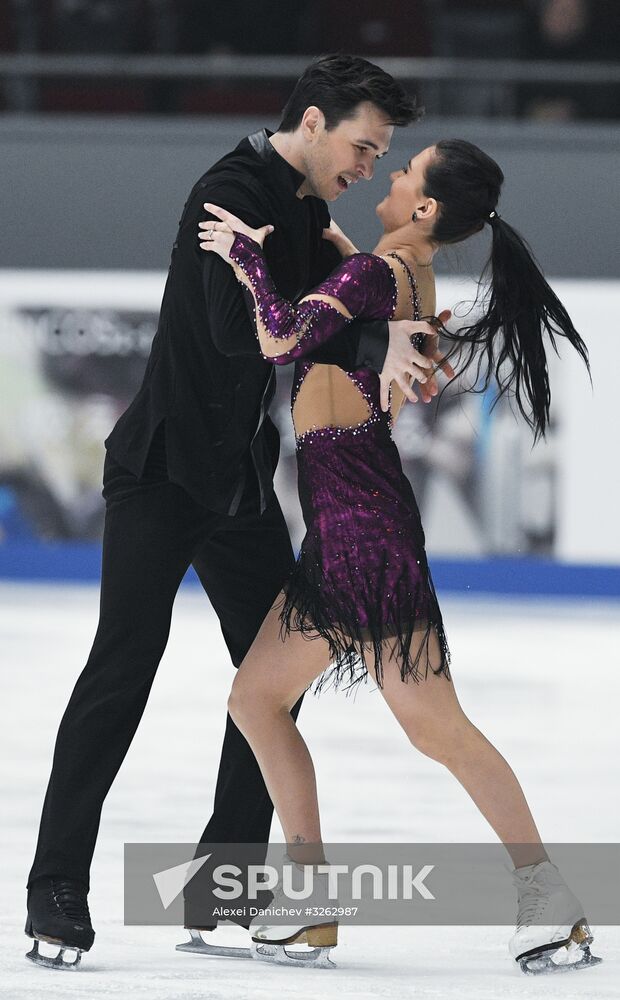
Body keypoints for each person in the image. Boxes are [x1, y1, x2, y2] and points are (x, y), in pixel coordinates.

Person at [24, 55, 443, 970]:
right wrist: (376, 330)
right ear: (316, 119)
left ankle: (227, 879)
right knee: (122, 667)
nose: (370, 165)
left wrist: (356, 277)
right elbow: (236, 331)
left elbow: (298, 317)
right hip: (165, 470)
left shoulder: (299, 206)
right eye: (364, 145)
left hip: (241, 485)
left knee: (270, 683)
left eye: (383, 155)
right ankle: (55, 886)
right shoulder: (231, 189)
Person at [196, 138, 600, 975]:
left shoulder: (380, 275)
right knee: (265, 698)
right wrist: (343, 257)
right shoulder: (405, 272)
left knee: (425, 725)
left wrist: (247, 258)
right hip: (355, 519)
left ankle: (541, 898)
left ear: (424, 208)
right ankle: (316, 904)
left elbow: (279, 339)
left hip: (361, 527)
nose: (385, 175)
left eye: (404, 171)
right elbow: (364, 312)